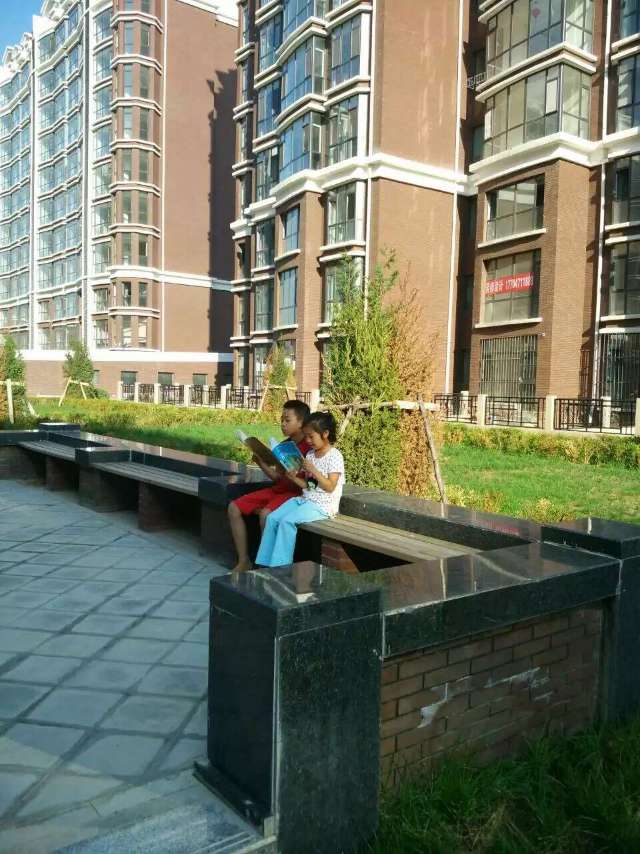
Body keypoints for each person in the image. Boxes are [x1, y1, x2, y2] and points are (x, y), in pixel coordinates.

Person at [227, 399, 311, 571]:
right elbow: (276, 477)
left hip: (293, 495)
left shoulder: (309, 447)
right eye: (281, 420)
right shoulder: (283, 446)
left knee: (266, 515)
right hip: (277, 490)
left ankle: (268, 567)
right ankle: (244, 561)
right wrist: (260, 461)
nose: (283, 424)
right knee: (233, 508)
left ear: (301, 422)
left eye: (287, 420)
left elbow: (310, 483)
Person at [255, 411, 344, 568]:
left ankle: (280, 567)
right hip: (305, 500)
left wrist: (314, 470)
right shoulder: (310, 455)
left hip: (323, 505)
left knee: (286, 522)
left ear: (325, 434)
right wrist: (293, 478)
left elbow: (330, 487)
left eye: (311, 437)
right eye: (306, 436)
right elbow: (311, 486)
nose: (308, 440)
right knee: (272, 518)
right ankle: (264, 563)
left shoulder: (335, 456)